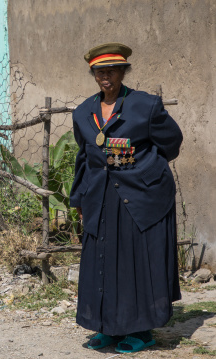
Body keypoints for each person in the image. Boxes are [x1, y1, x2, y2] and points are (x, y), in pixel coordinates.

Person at [70, 43, 183, 354]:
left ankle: (141, 331)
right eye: (100, 71)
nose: (106, 76)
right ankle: (107, 328)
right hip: (100, 197)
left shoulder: (145, 106)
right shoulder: (83, 113)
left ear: (122, 72)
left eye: (113, 70)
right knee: (101, 263)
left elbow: (171, 143)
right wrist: (79, 198)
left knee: (135, 262)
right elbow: (84, 157)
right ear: (93, 74)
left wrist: (145, 168)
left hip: (140, 197)